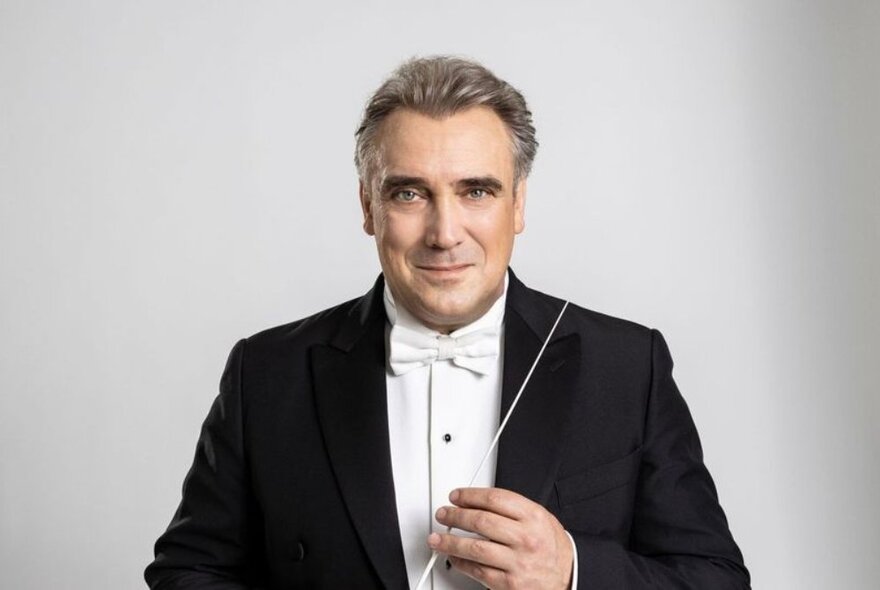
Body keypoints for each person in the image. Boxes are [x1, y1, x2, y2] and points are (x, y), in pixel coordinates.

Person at [145, 56, 750, 589]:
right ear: (368, 206)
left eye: (477, 192)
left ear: (518, 205)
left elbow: (715, 580)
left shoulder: (627, 365)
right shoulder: (268, 373)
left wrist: (571, 572)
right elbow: (187, 570)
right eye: (409, 194)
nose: (444, 233)